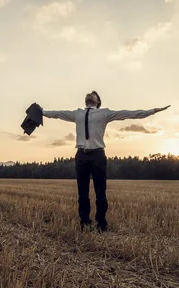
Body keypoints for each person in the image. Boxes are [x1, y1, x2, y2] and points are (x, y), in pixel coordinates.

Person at [42, 91, 170, 232]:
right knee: (82, 193)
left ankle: (101, 224)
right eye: (89, 94)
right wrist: (41, 112)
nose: (90, 95)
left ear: (98, 101)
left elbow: (128, 114)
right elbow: (57, 114)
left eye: (94, 94)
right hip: (81, 156)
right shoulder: (76, 113)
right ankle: (85, 223)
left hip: (98, 155)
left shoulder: (104, 113)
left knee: (100, 192)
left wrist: (152, 111)